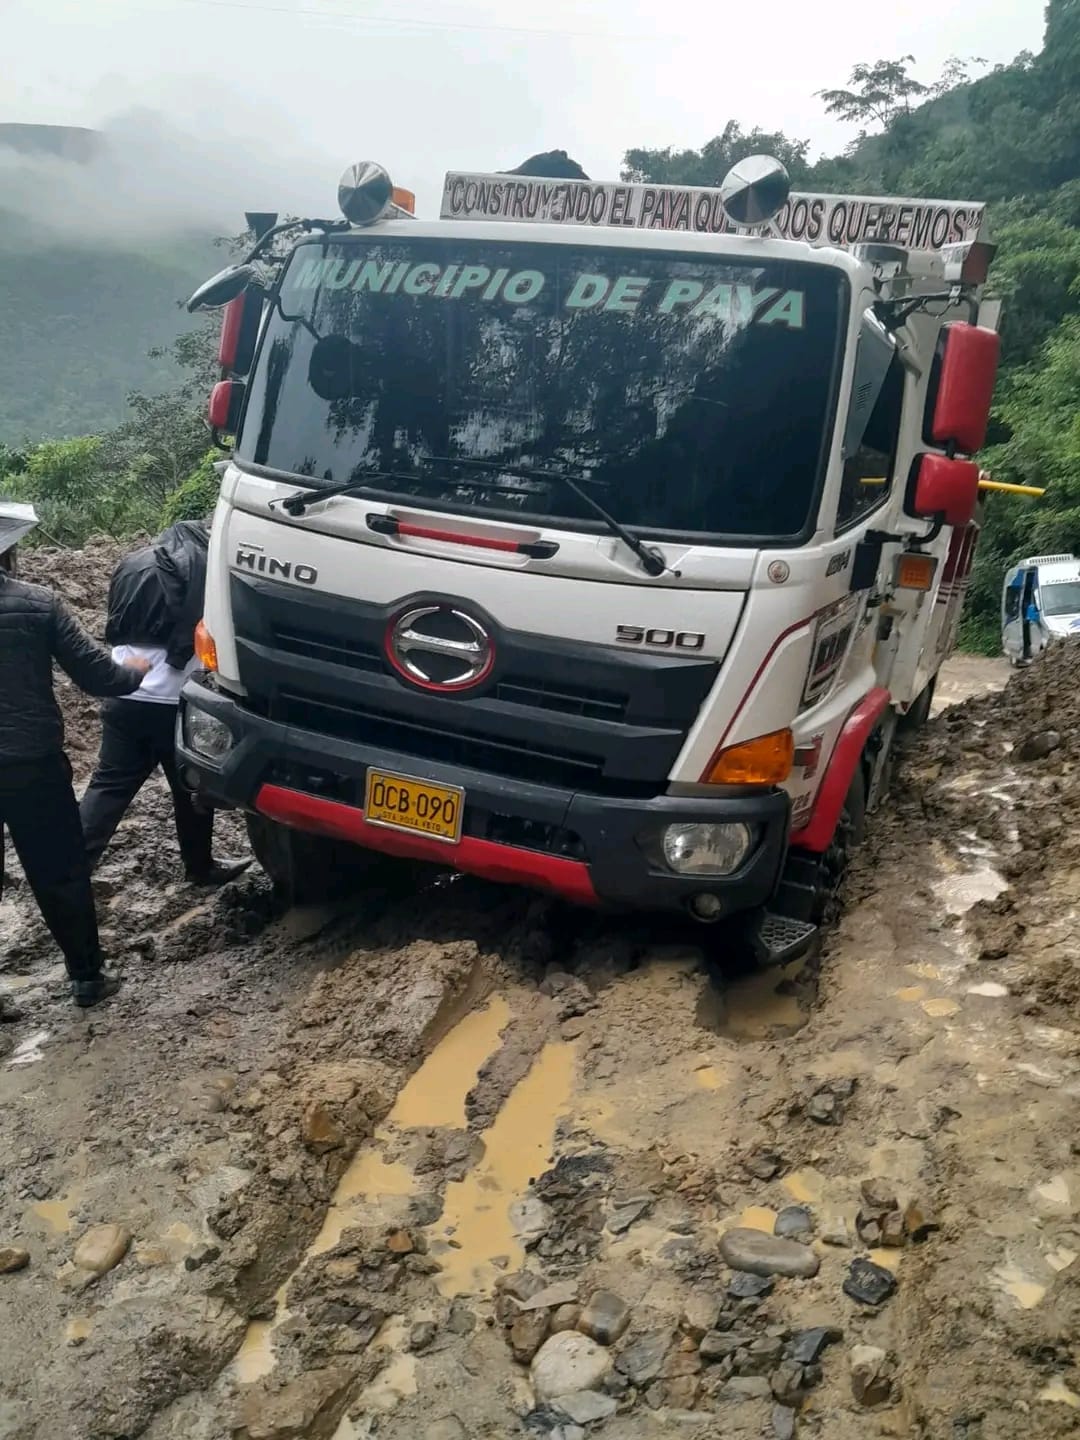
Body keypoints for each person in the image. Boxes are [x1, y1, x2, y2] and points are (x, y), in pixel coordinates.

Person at [0, 501, 150, 1007]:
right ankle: (87, 979)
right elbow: (97, 676)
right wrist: (136, 671)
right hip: (32, 766)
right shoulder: (38, 604)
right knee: (60, 872)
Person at [79, 521, 249, 886]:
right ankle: (200, 867)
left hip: (124, 692)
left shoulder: (131, 565)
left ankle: (70, 870)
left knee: (108, 787)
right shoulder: (202, 568)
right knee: (192, 787)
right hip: (178, 700)